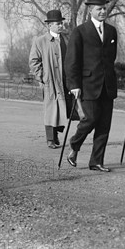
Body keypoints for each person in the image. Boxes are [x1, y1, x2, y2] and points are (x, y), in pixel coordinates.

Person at [64, 0, 118, 172]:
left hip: (107, 87)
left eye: (104, 8)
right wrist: (74, 85)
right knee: (90, 119)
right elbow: (71, 61)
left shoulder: (111, 31)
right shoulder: (80, 32)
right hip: (88, 86)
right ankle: (74, 144)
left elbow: (111, 59)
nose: (102, 11)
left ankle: (96, 162)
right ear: (90, 10)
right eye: (98, 9)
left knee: (104, 126)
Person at [29, 9, 78, 149]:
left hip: (65, 81)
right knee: (51, 109)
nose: (61, 26)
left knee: (63, 109)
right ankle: (50, 139)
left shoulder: (66, 40)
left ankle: (55, 135)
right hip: (50, 82)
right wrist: (42, 77)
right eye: (58, 24)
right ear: (49, 25)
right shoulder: (40, 41)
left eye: (61, 23)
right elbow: (33, 62)